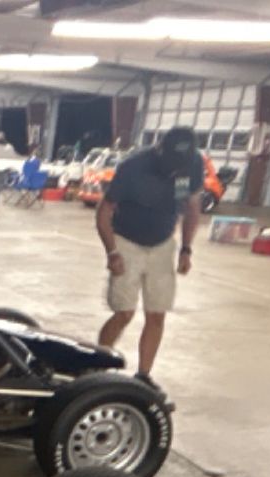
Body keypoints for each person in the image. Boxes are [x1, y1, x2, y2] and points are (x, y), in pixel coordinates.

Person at [95, 126, 204, 386]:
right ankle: (96, 367)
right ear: (160, 149)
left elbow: (192, 207)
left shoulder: (192, 164)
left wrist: (186, 248)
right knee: (124, 313)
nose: (176, 170)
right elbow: (104, 212)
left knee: (157, 314)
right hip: (127, 242)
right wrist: (112, 252)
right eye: (172, 163)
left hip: (163, 244)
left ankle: (143, 376)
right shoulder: (133, 167)